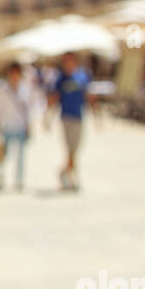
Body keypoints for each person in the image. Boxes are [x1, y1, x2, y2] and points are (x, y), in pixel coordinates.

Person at [47, 51, 94, 190]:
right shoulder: (60, 79)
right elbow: (54, 97)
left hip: (79, 116)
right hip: (66, 117)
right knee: (70, 149)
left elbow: (87, 95)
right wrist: (47, 115)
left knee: (75, 149)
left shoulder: (82, 75)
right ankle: (72, 177)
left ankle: (65, 172)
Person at [0, 61, 31, 191]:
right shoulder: (3, 89)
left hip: (20, 126)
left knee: (20, 157)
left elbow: (27, 110)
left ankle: (19, 181)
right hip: (7, 126)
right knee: (4, 155)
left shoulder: (24, 89)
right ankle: (0, 177)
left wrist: (28, 125)